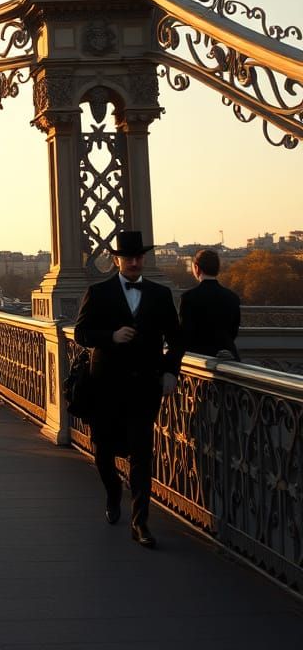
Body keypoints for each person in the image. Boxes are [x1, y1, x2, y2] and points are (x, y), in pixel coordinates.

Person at [74, 230, 184, 549]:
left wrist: (170, 371)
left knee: (141, 454)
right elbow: (81, 333)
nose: (134, 262)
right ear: (117, 260)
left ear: (144, 259)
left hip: (144, 386)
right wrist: (110, 336)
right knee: (104, 453)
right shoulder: (98, 292)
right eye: (128, 257)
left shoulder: (161, 295)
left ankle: (140, 522)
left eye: (139, 257)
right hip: (106, 386)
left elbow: (177, 340)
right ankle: (112, 493)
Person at [179, 249, 241, 361]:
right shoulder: (232, 297)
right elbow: (233, 331)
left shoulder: (189, 297)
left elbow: (186, 333)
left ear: (197, 268)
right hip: (229, 357)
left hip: (201, 359)